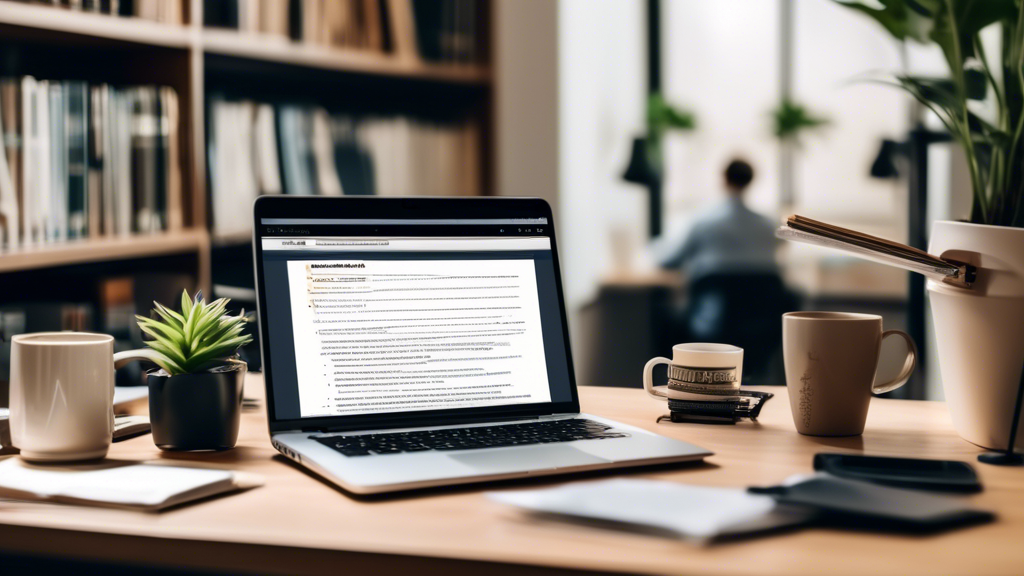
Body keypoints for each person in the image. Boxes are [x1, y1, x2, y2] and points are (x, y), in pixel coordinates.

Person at [658, 159, 778, 280]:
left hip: (714, 294)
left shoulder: (704, 222)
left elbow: (672, 259)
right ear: (751, 180)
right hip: (763, 296)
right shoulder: (769, 226)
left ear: (724, 179)